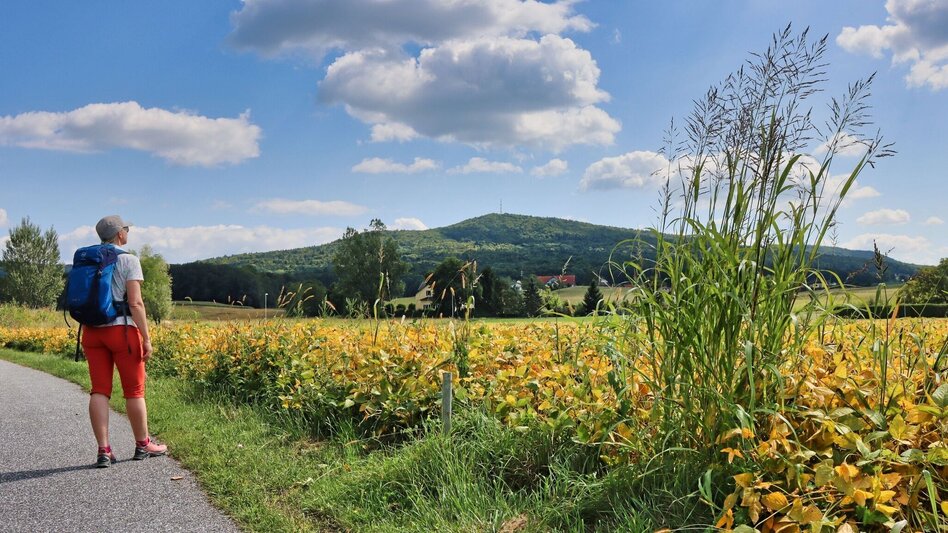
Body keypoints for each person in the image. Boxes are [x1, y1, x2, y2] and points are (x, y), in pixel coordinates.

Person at [84, 215, 167, 468]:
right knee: (134, 391)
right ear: (120, 234)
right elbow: (136, 303)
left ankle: (104, 451)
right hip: (122, 332)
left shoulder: (88, 260)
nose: (127, 232)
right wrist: (147, 338)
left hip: (92, 331)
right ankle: (143, 445)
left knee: (99, 390)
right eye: (126, 229)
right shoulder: (129, 259)